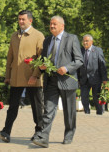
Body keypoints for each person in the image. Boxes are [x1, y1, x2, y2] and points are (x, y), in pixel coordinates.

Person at [0, 10, 45, 143]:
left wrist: (36, 75)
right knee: (12, 107)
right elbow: (10, 57)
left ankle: (39, 133)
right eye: (19, 19)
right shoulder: (14, 36)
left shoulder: (38, 36)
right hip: (16, 77)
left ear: (30, 21)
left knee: (37, 107)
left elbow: (42, 58)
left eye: (23, 19)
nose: (21, 21)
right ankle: (6, 132)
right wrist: (8, 76)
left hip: (33, 78)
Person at [33, 16, 83, 148]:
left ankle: (69, 134)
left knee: (69, 111)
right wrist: (42, 66)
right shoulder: (47, 40)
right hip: (51, 80)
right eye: (50, 24)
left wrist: (66, 68)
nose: (52, 26)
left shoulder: (72, 39)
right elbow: (44, 58)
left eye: (54, 24)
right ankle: (44, 137)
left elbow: (79, 60)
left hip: (67, 80)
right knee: (48, 109)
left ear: (62, 26)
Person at [79, 34, 107, 115]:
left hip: (96, 78)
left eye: (87, 41)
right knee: (84, 97)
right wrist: (77, 78)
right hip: (84, 79)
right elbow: (77, 65)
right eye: (83, 41)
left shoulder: (98, 50)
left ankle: (99, 113)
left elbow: (102, 65)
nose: (85, 42)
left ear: (91, 41)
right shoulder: (80, 51)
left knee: (96, 98)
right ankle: (87, 112)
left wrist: (104, 78)